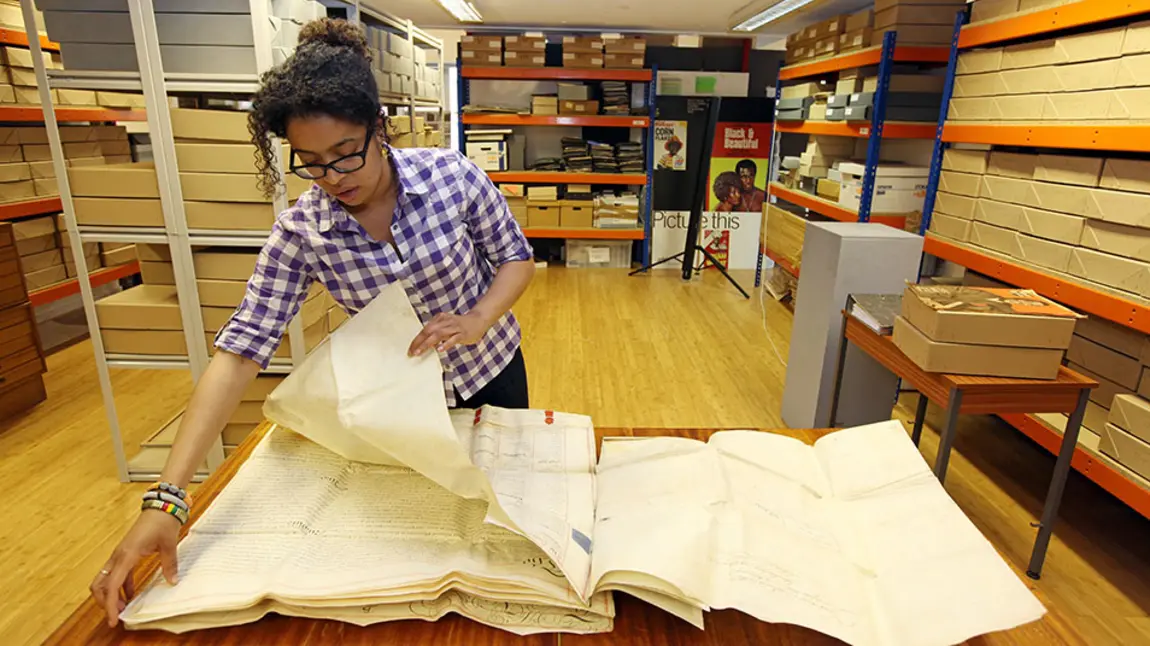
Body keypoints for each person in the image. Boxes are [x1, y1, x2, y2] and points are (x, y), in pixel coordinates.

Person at [88, 18, 535, 627]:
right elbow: (239, 352)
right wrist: (168, 499)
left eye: (348, 153)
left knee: (503, 527)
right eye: (313, 163)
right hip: (402, 401)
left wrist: (480, 317)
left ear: (379, 128)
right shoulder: (303, 232)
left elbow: (514, 257)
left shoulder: (452, 177)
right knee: (426, 541)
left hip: (494, 374)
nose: (336, 177)